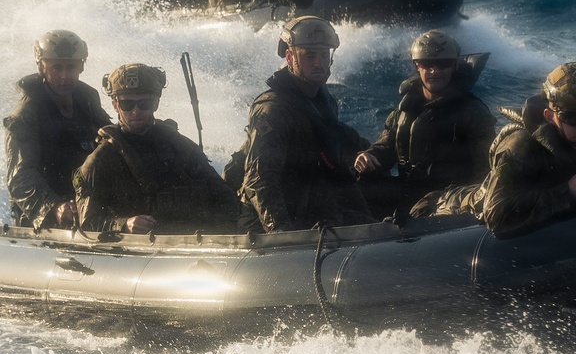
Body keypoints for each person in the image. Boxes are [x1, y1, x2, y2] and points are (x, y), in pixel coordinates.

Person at [237, 16, 373, 233]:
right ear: (290, 58)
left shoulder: (322, 100)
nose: (319, 63)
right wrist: (282, 236)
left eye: (323, 55)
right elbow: (259, 180)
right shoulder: (274, 110)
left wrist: (366, 152)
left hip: (311, 205)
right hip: (268, 222)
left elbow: (337, 137)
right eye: (309, 56)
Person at [476, 62, 576, 236]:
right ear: (549, 116)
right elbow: (495, 214)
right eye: (571, 118)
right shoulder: (521, 147)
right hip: (469, 202)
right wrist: (567, 193)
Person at [73, 63, 238, 235]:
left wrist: (216, 232)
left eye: (144, 103)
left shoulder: (179, 146)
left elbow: (224, 197)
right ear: (115, 106)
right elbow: (87, 222)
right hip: (135, 251)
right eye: (127, 104)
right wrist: (123, 224)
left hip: (191, 244)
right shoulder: (102, 159)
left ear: (156, 103)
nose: (136, 111)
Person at [354, 30, 496, 219]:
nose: (434, 71)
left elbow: (485, 173)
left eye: (443, 64)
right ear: (416, 66)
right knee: (355, 188)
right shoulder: (405, 109)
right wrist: (369, 157)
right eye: (427, 64)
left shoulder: (472, 111)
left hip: (449, 201)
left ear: (454, 66)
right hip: (408, 192)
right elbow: (387, 146)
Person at [4, 30, 111, 229]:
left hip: (88, 204)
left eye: (71, 67)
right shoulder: (25, 115)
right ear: (42, 68)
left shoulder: (87, 101)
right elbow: (20, 178)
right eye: (56, 68)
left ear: (81, 67)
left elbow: (110, 141)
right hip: (45, 220)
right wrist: (54, 207)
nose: (64, 76)